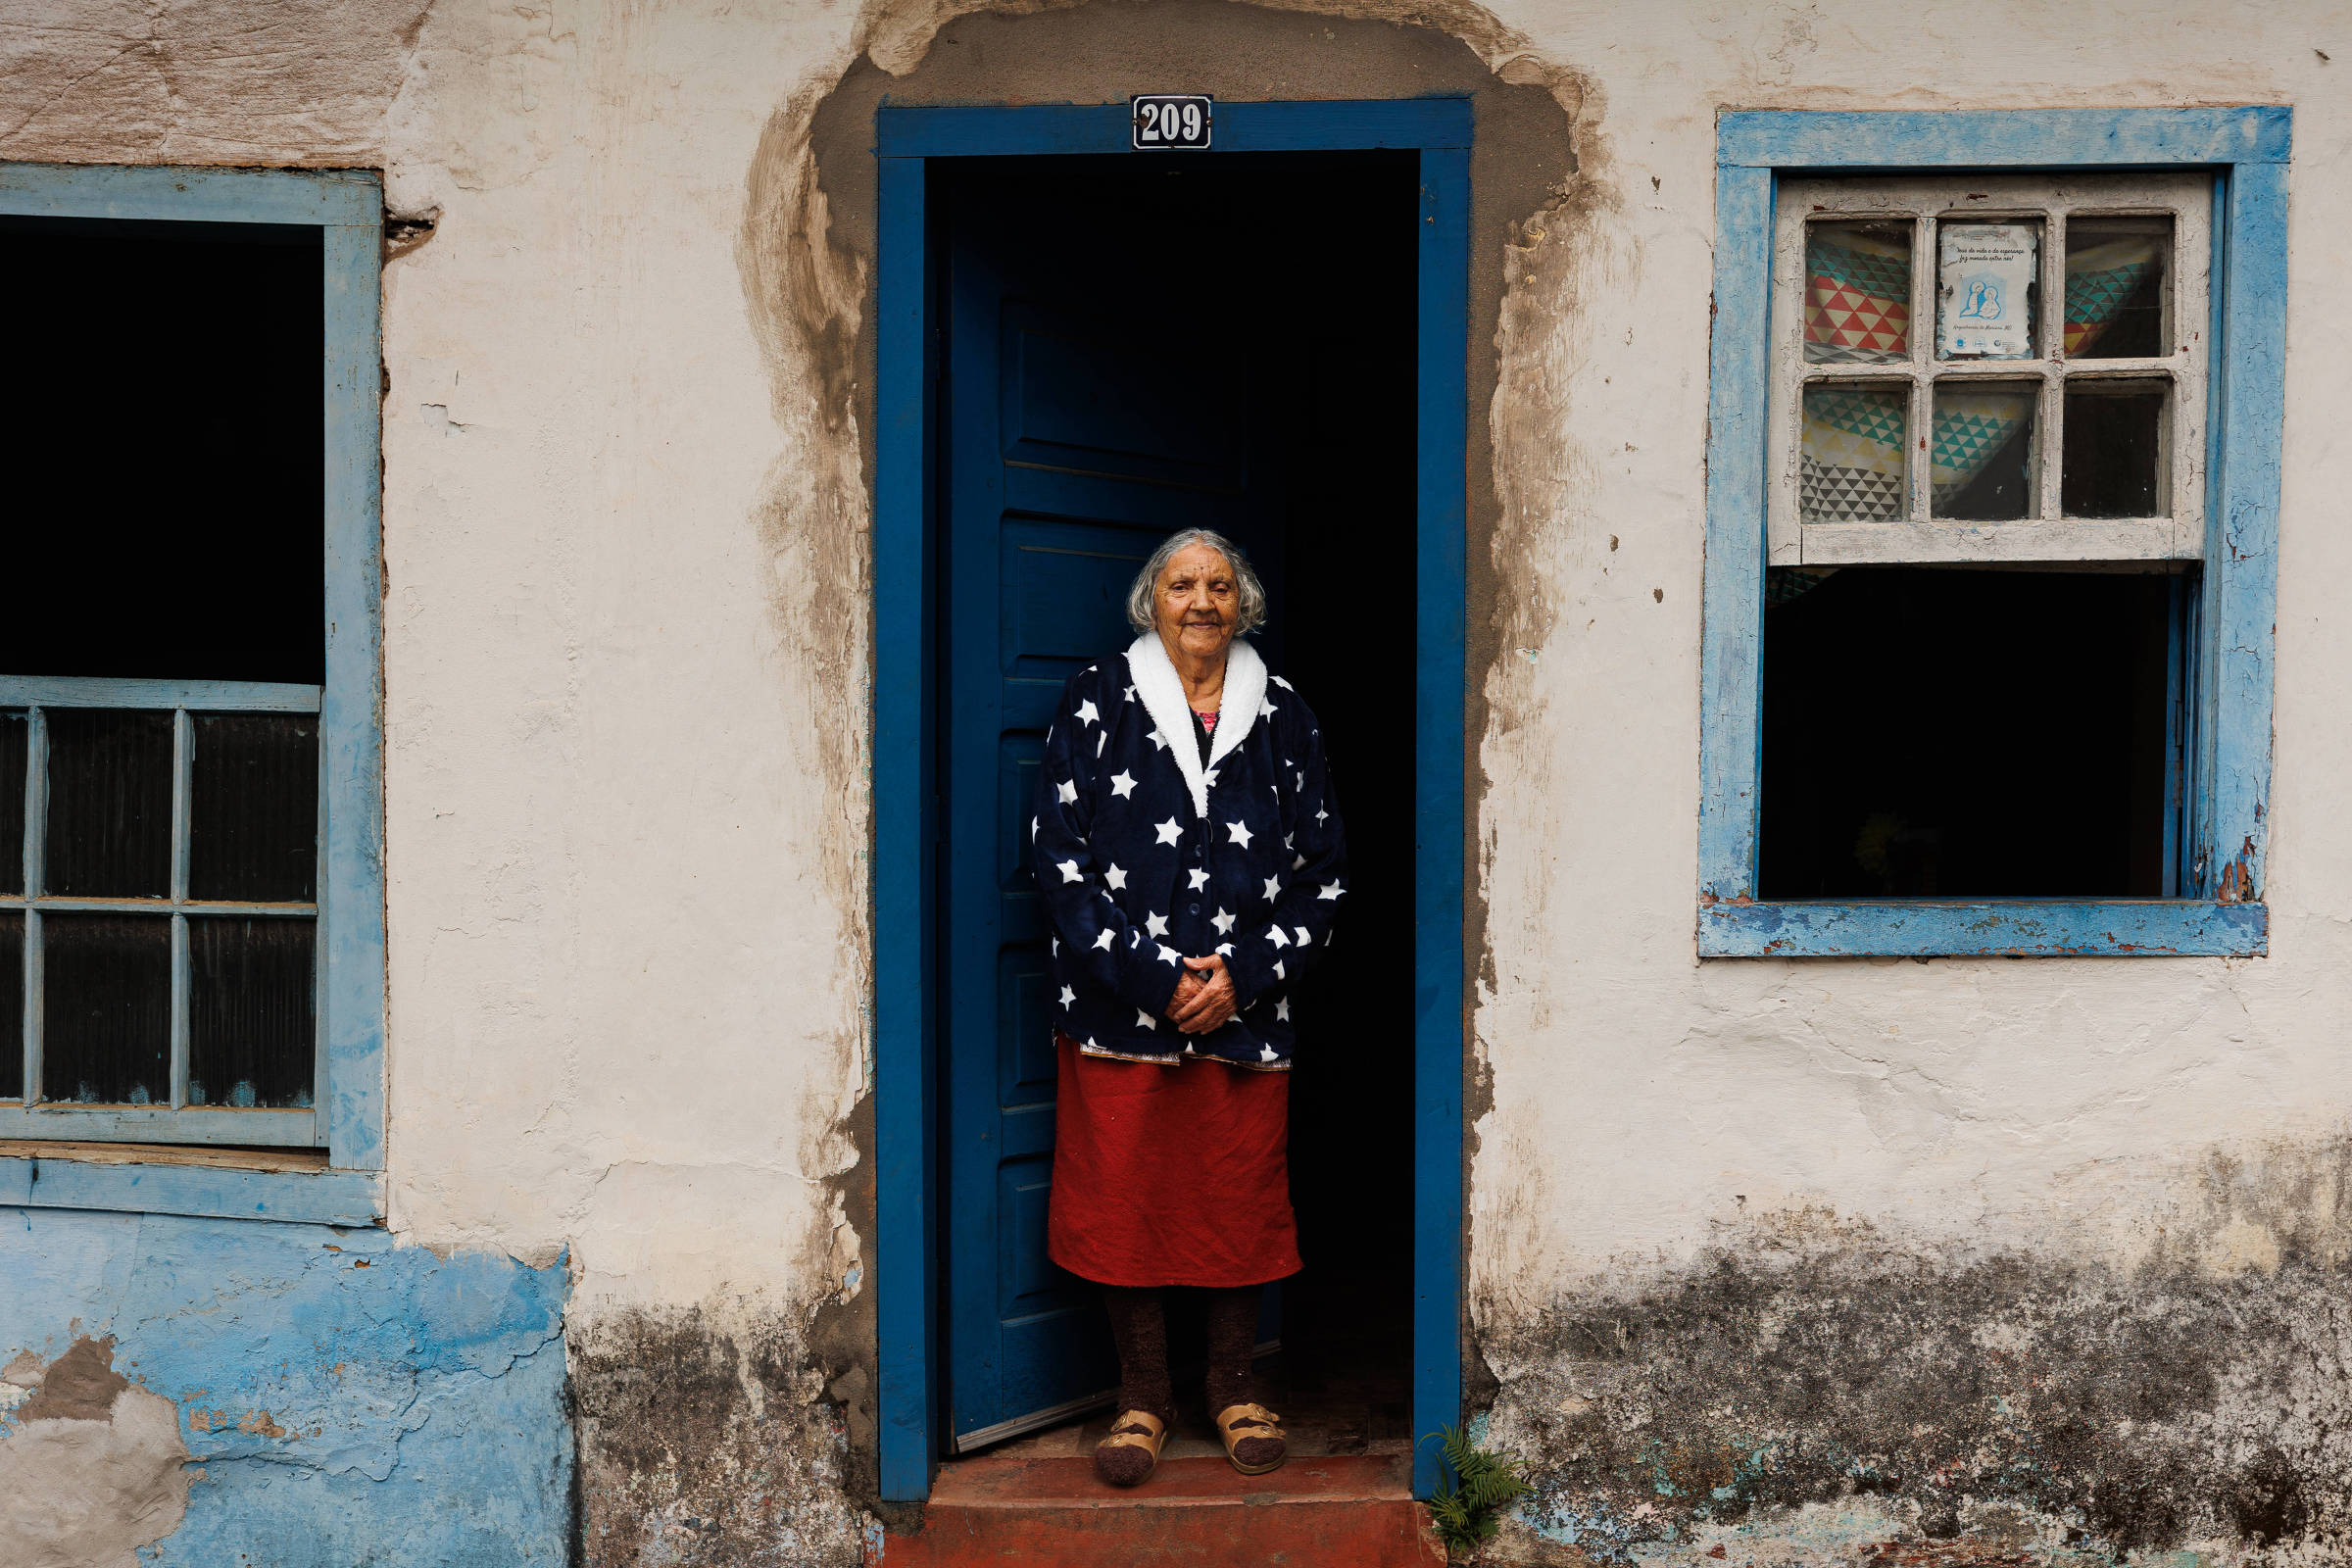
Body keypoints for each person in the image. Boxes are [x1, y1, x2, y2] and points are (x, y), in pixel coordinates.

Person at [1029, 527, 1348, 1488]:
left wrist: (1241, 974)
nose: (1202, 602)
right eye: (1182, 585)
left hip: (1244, 1018)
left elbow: (1321, 873)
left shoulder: (1285, 715)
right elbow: (1059, 861)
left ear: (1243, 604)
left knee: (1234, 1202)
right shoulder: (1096, 703)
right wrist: (1154, 978)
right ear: (1151, 601)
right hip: (1121, 1016)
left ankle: (1233, 1386)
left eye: (1219, 586)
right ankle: (1142, 1398)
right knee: (1125, 1201)